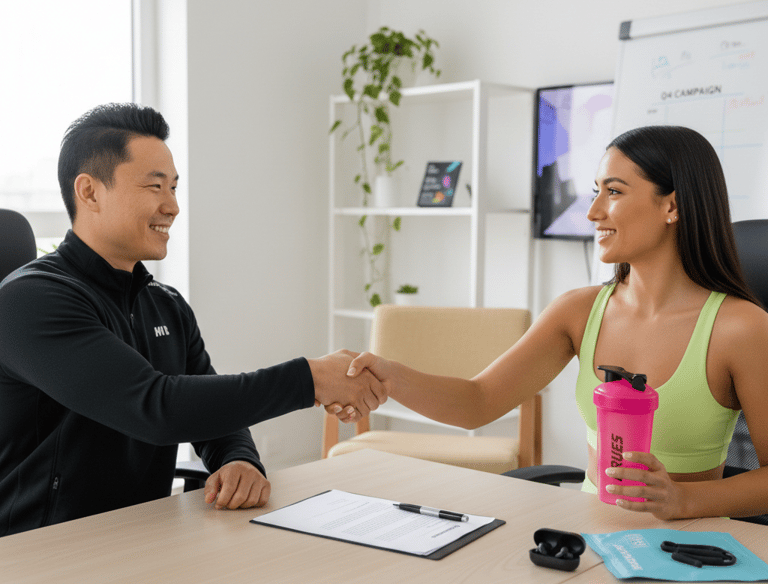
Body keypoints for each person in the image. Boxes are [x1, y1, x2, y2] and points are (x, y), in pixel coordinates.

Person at [343, 125, 768, 521]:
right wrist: (391, 376)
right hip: (588, 539)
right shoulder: (578, 311)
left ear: (671, 205)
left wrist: (684, 499)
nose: (593, 212)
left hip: (687, 550)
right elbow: (478, 401)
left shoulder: (741, 329)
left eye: (614, 192)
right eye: (595, 192)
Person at [0, 103, 383, 537]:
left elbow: (207, 404)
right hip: (38, 551)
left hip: (143, 538)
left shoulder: (165, 304)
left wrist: (237, 457)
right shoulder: (30, 301)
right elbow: (157, 407)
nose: (172, 207)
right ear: (89, 192)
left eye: (175, 189)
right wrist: (309, 379)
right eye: (155, 187)